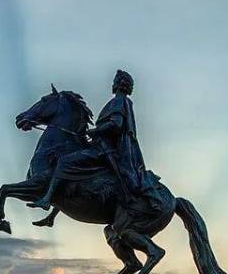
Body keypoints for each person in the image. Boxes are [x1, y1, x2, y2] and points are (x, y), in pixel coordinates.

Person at [29, 69, 151, 210]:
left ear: (117, 84)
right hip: (106, 147)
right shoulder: (125, 102)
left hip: (104, 149)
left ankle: (47, 199)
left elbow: (116, 124)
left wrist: (95, 131)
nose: (113, 84)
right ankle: (53, 212)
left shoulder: (118, 100)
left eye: (115, 81)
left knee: (65, 161)